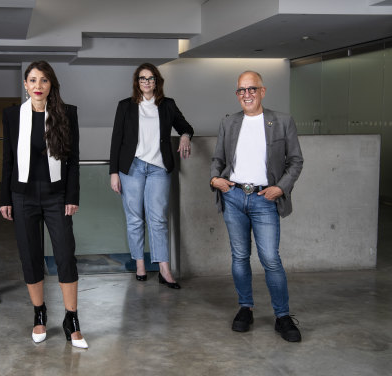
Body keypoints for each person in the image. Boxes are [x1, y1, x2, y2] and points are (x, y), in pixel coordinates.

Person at [210, 71, 304, 342]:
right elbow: (218, 158)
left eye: (252, 89)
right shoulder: (229, 122)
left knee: (271, 260)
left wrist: (281, 187)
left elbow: (295, 161)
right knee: (239, 257)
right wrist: (215, 179)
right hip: (234, 196)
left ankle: (282, 316)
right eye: (241, 90)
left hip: (265, 199)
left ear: (263, 91)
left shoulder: (282, 121)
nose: (246, 94)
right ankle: (245, 308)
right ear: (237, 94)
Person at [0, 61, 87, 348]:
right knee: (30, 257)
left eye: (44, 80)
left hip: (56, 196)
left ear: (51, 85)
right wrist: (5, 198)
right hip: (22, 196)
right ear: (25, 85)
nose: (38, 86)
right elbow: (8, 159)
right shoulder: (13, 115)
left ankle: (71, 319)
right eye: (33, 80)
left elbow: (73, 160)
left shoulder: (66, 113)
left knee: (65, 255)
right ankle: (39, 314)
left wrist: (72, 196)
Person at [109, 63, 194, 289]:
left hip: (159, 168)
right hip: (132, 168)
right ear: (137, 82)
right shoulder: (125, 106)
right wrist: (113, 172)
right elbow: (116, 140)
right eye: (142, 78)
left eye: (151, 78)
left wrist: (185, 136)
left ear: (157, 81)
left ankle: (164, 269)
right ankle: (140, 265)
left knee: (158, 219)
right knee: (135, 219)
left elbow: (186, 126)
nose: (147, 82)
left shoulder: (167, 105)